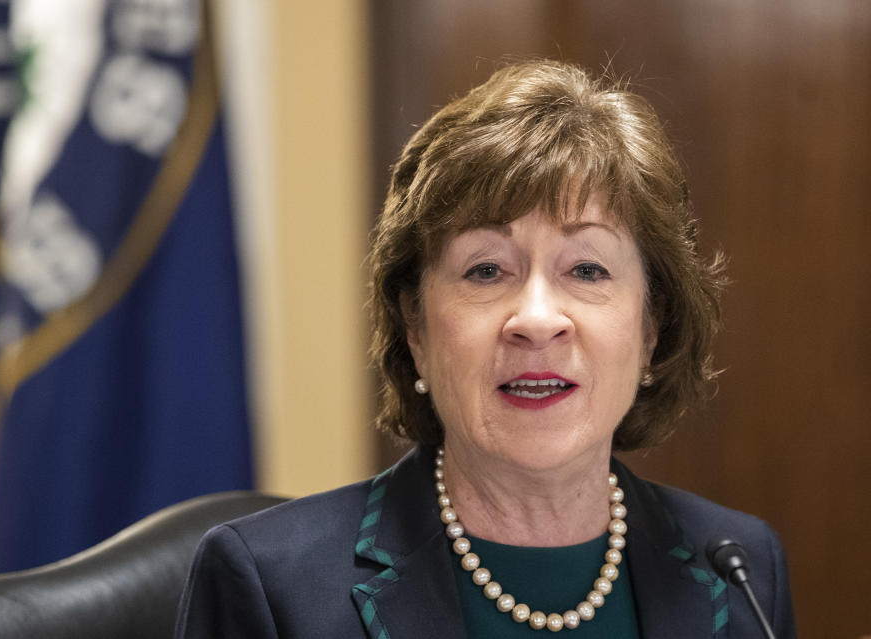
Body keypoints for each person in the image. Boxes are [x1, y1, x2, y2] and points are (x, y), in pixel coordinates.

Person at [174, 60, 796, 638]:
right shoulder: (270, 587)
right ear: (414, 327)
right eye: (485, 271)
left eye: (587, 270)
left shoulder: (740, 571)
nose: (536, 319)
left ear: (651, 327)